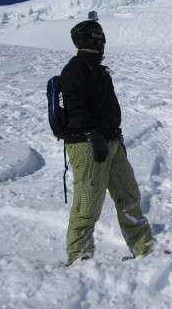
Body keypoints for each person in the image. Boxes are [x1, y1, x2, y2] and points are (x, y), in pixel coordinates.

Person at [60, 15, 154, 266]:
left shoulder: (99, 70)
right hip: (87, 144)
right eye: (99, 36)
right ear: (91, 38)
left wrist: (114, 135)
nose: (103, 41)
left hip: (110, 141)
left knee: (129, 195)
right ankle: (79, 255)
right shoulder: (75, 68)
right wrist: (92, 134)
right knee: (88, 201)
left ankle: (144, 249)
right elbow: (74, 104)